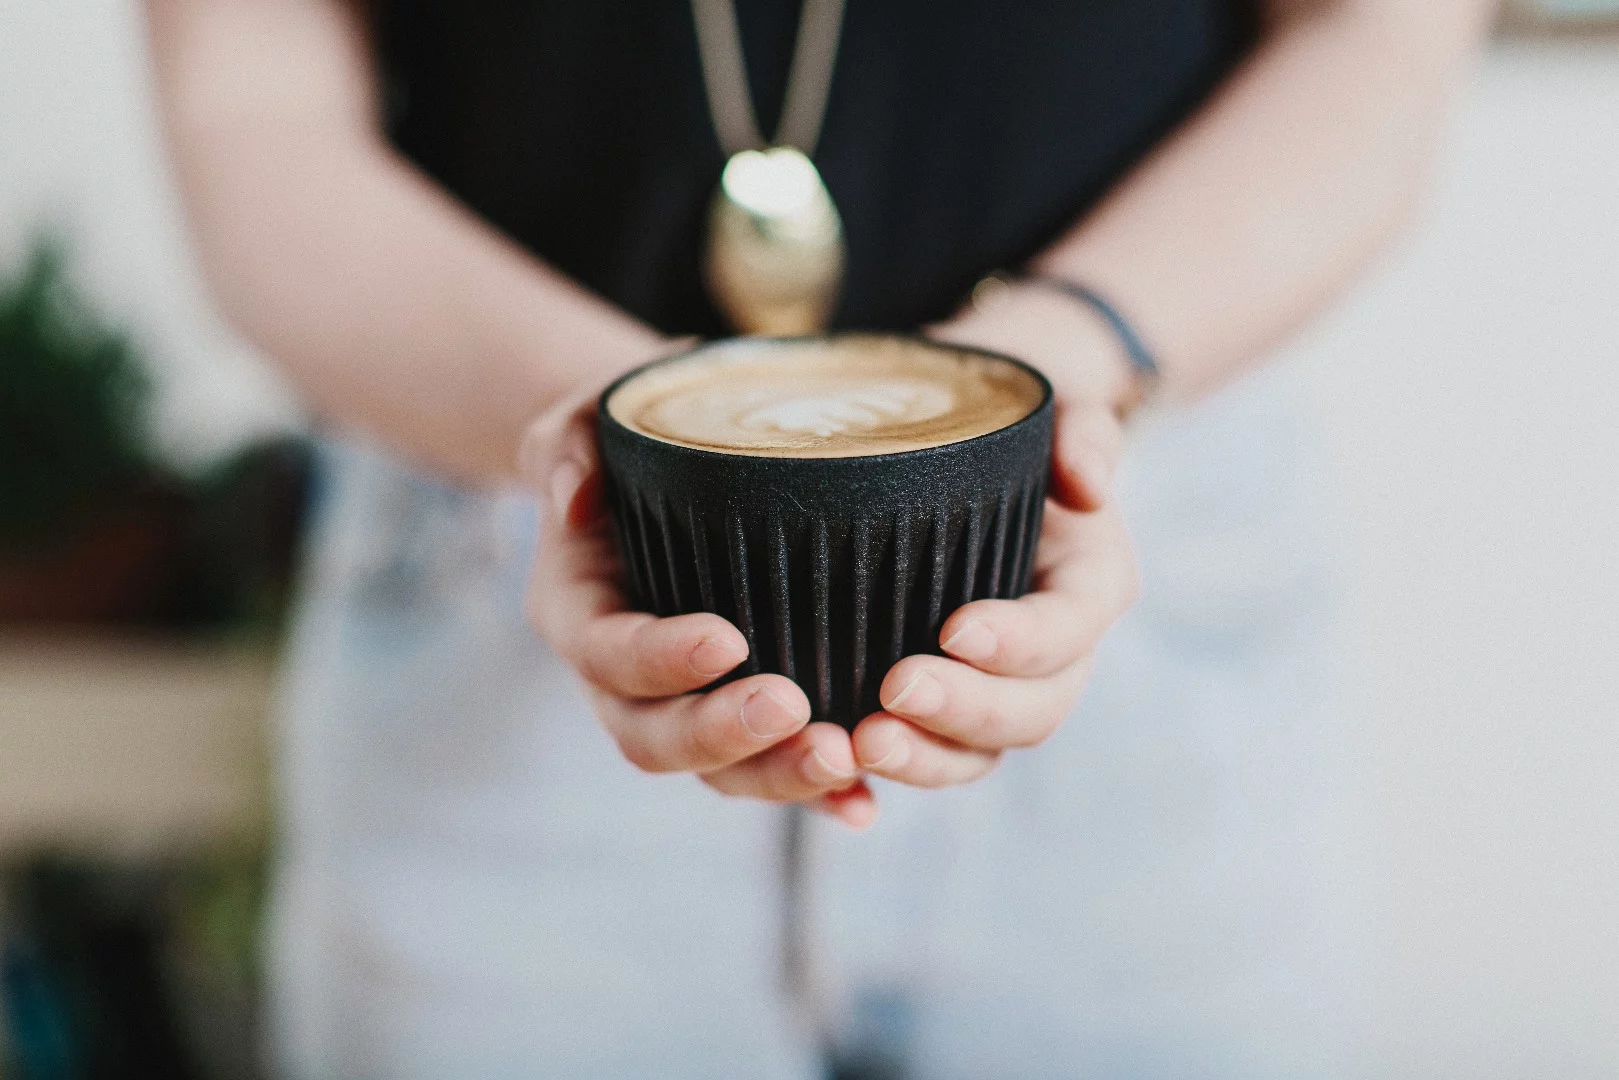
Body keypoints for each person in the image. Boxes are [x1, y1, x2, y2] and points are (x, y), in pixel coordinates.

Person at [147, 0, 1490, 1076]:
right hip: (502, 563)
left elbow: (1374, 30)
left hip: (1122, 556)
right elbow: (253, 95)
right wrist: (618, 439)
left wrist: (1051, 377)